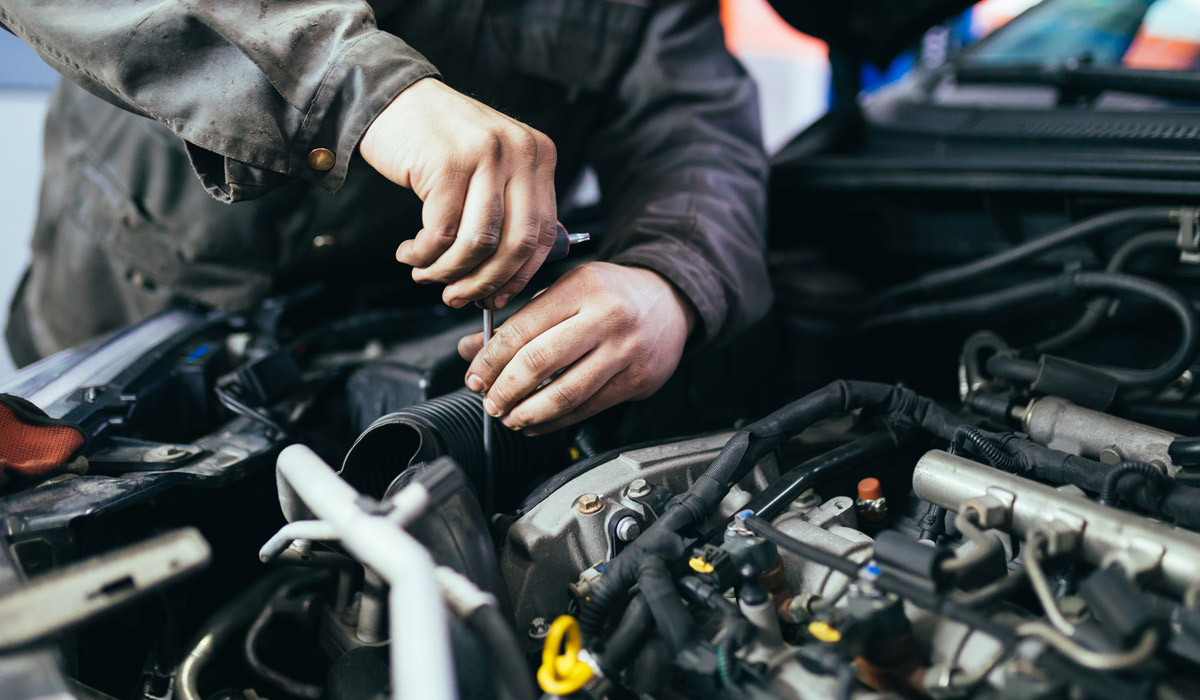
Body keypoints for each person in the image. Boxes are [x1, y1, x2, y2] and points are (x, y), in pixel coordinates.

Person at [1, 0, 771, 435]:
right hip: (117, 335)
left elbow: (694, 125)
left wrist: (668, 277)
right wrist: (356, 89)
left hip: (398, 363)